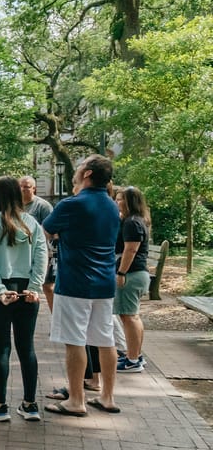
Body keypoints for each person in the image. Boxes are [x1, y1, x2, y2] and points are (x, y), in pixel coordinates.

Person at [42, 155, 122, 416]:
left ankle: (76, 400)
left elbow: (48, 228)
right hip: (104, 283)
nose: (75, 171)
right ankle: (107, 397)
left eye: (79, 167)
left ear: (87, 173)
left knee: (74, 341)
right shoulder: (112, 206)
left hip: (76, 281)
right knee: (105, 340)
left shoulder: (72, 204)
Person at [0, 177, 48, 422]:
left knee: (2, 348)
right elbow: (42, 256)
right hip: (27, 290)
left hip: (1, 291)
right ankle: (30, 404)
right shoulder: (32, 223)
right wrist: (35, 287)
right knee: (27, 347)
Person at [114, 186, 152, 373]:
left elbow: (131, 249)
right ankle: (135, 355)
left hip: (132, 274)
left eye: (120, 198)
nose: (116, 201)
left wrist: (121, 273)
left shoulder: (132, 223)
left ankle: (132, 359)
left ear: (131, 202)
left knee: (129, 317)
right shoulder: (133, 221)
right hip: (135, 274)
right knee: (131, 316)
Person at [20, 176, 56, 311]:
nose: (23, 189)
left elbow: (52, 230)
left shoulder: (43, 206)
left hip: (42, 252)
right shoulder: (15, 205)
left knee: (48, 287)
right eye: (21, 186)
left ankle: (56, 323)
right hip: (22, 253)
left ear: (34, 189)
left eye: (27, 186)